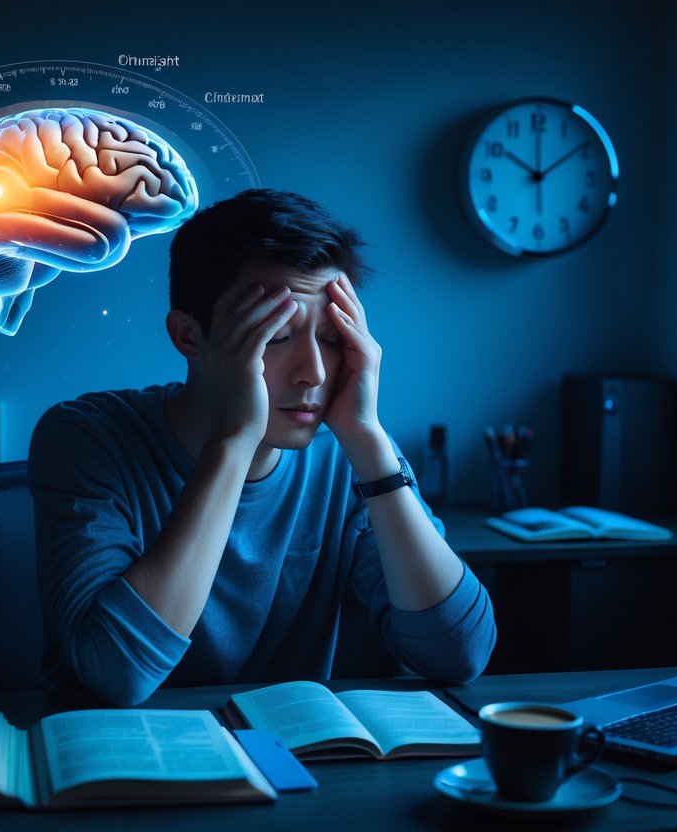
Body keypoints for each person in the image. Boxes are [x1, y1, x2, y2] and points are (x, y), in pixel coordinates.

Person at [29, 188, 496, 706]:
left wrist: (368, 439)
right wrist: (233, 443)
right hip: (120, 762)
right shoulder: (85, 437)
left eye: (333, 339)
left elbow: (460, 655)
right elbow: (117, 676)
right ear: (189, 336)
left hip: (295, 763)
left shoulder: (349, 454)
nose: (313, 374)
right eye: (275, 337)